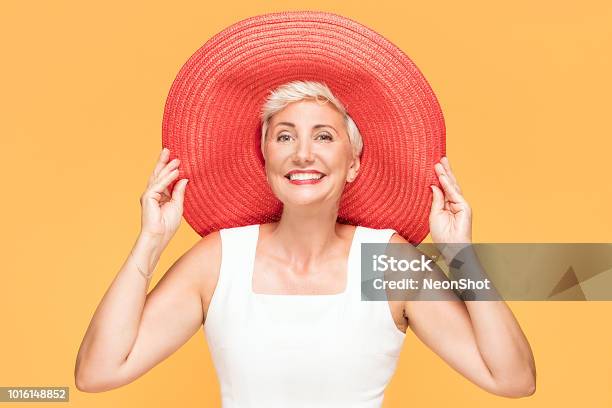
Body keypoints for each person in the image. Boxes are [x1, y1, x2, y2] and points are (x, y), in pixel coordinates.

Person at [75, 80, 536, 406]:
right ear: (267, 159)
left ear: (352, 163)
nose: (302, 153)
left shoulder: (386, 261)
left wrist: (461, 257)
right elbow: (98, 373)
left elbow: (513, 379)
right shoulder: (220, 260)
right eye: (284, 136)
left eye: (323, 136)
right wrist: (150, 243)